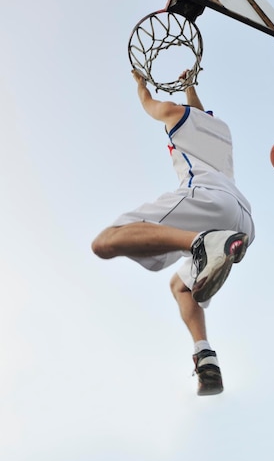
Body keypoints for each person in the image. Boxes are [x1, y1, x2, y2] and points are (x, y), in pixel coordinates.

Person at [91, 69, 255, 395]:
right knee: (180, 285)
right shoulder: (220, 131)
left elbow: (150, 104)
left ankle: (201, 243)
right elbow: (200, 114)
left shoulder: (172, 113)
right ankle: (205, 355)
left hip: (208, 199)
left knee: (106, 241)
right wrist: (190, 85)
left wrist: (141, 84)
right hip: (243, 218)